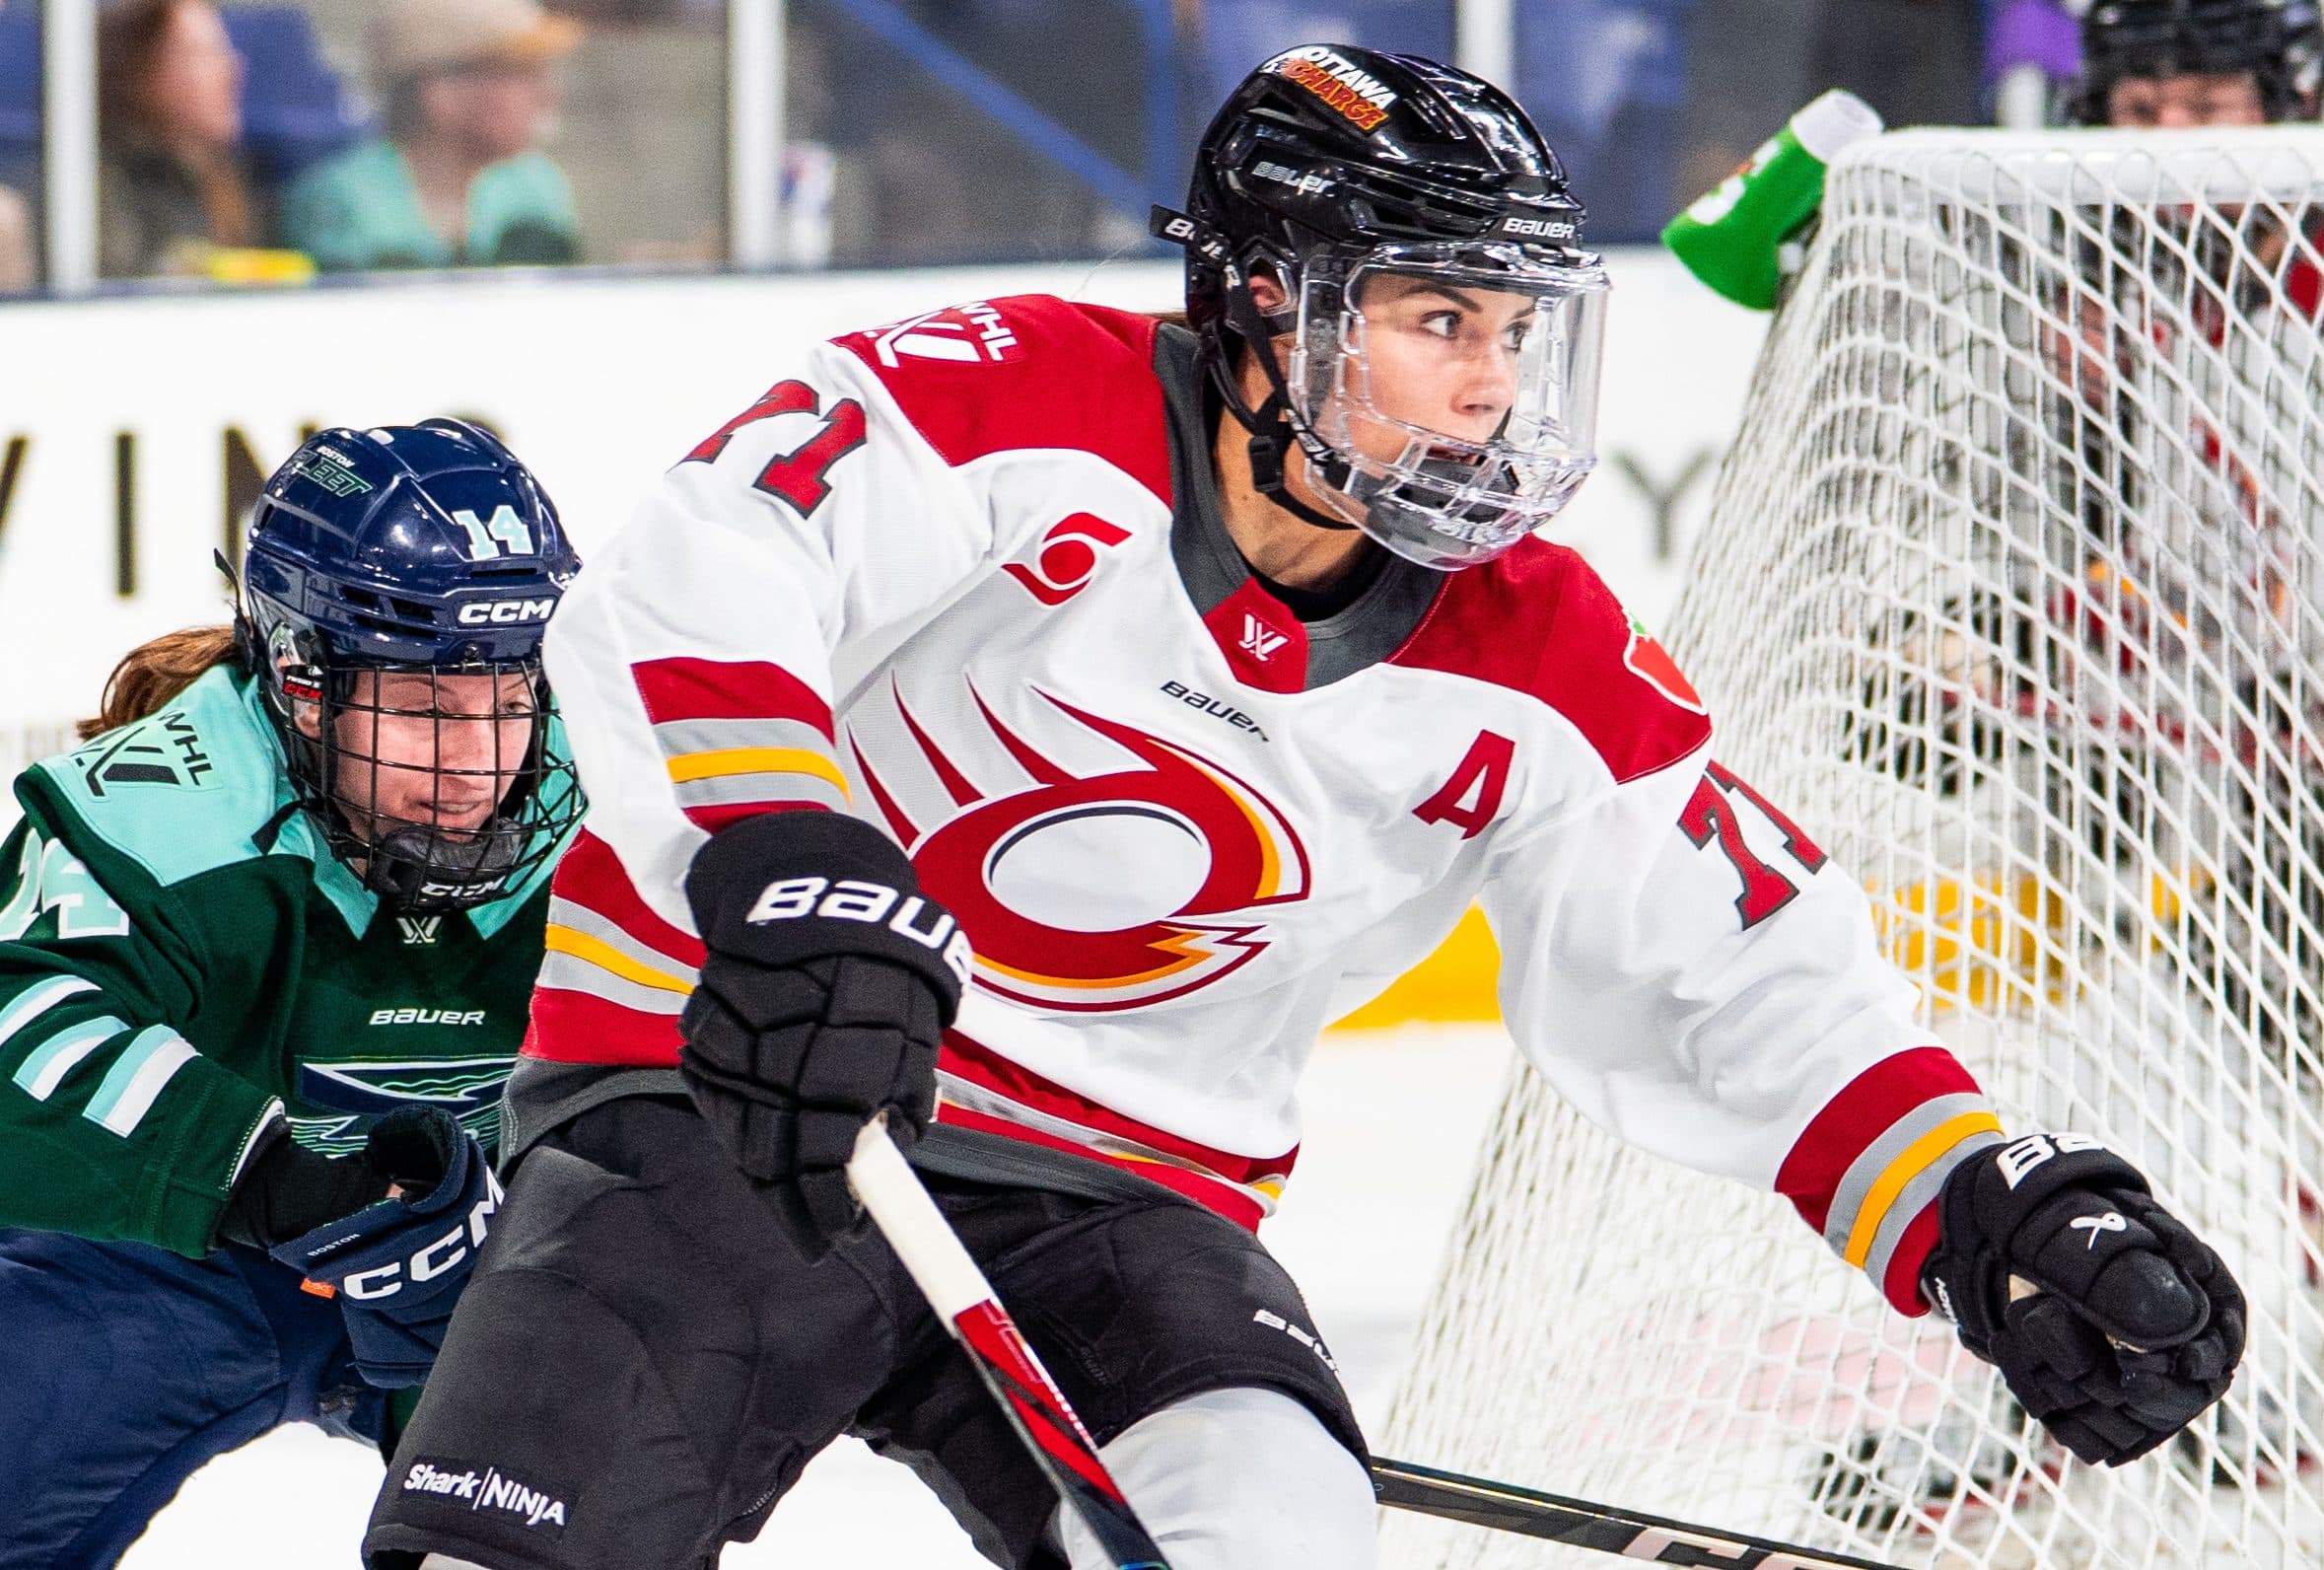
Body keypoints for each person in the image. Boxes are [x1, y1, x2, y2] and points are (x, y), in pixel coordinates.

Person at [365, 47, 2244, 1570]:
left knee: (1271, 1528)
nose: (1488, 387)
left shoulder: (1539, 649)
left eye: (1513, 329)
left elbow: (1733, 970)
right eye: (1437, 318)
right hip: (736, 1088)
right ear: (1267, 298)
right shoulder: (1017, 398)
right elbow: (710, 563)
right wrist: (791, 859)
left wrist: (1977, 1208)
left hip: (1121, 1196)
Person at [0, 421, 585, 1568]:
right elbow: (14, 1021)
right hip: (162, 1260)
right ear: (305, 685)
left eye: (506, 697)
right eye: (424, 709)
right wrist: (262, 1173)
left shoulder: (620, 790)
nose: (476, 762)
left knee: (585, 1511)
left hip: (478, 1268)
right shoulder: (162, 806)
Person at [278, 0, 583, 272]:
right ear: (441, 92)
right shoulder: (342, 199)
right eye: (519, 73)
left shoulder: (536, 187)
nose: (545, 95)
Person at [95, 0, 263, 279]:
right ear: (143, 71)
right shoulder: (100, 191)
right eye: (203, 54)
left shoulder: (237, 181)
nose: (231, 70)